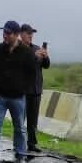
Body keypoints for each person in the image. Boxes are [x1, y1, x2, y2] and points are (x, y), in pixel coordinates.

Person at [0, 20, 37, 163]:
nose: (4, 35)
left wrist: (23, 88)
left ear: (16, 35)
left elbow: (32, 73)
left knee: (20, 127)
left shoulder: (26, 52)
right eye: (4, 32)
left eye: (8, 33)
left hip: (18, 98)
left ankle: (20, 154)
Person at [18, 22, 50, 153]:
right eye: (28, 33)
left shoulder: (36, 48)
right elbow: (24, 66)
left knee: (33, 120)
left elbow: (46, 66)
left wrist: (46, 56)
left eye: (32, 34)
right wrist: (35, 57)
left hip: (36, 90)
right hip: (23, 90)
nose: (31, 36)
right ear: (21, 34)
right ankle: (19, 144)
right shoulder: (18, 49)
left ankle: (32, 143)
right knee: (20, 120)